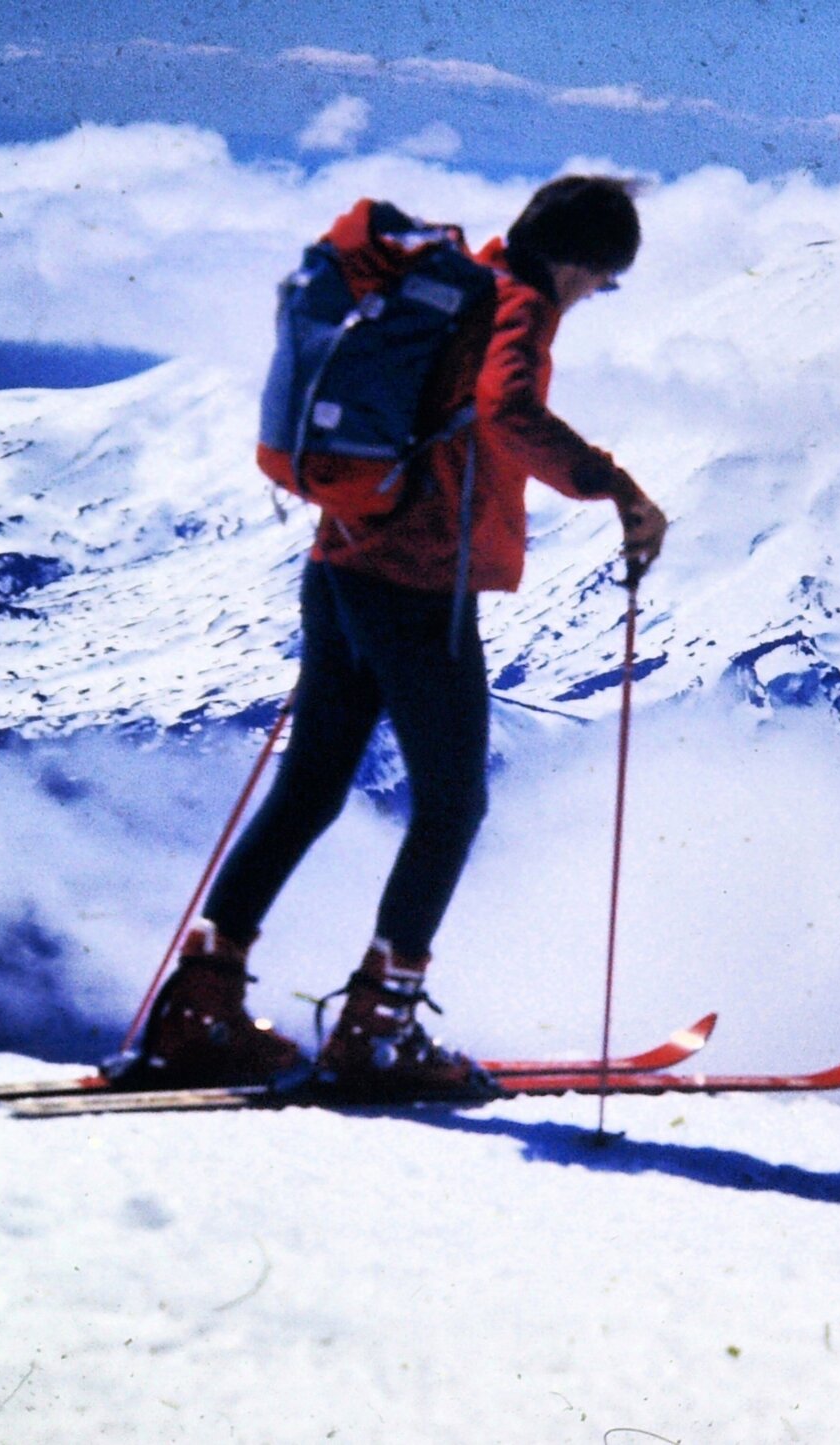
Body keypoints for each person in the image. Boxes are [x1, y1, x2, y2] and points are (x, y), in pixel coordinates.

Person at [127, 176, 666, 1097]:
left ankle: (199, 1011)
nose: (594, 298)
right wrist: (615, 487)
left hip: (341, 563)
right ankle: (377, 1032)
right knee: (452, 804)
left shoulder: (460, 283)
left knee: (309, 787)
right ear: (579, 263)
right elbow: (507, 411)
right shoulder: (521, 305)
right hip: (417, 584)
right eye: (603, 282)